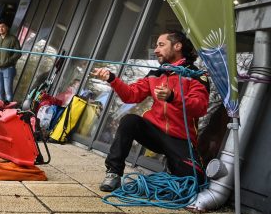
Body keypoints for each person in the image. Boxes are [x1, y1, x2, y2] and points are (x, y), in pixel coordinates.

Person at [90, 30, 210, 192]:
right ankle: (113, 173)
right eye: (156, 46)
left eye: (161, 45)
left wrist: (172, 97)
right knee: (129, 121)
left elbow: (200, 107)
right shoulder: (155, 74)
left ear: (177, 46)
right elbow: (131, 95)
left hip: (180, 139)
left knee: (194, 182)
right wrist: (112, 79)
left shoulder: (196, 75)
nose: (156, 50)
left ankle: (173, 167)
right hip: (154, 133)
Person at [0, 21, 22, 102]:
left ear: (7, 27)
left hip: (8, 68)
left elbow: (18, 53)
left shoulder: (13, 39)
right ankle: (0, 111)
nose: (0, 28)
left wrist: (8, 61)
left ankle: (8, 110)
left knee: (8, 91)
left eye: (2, 26)